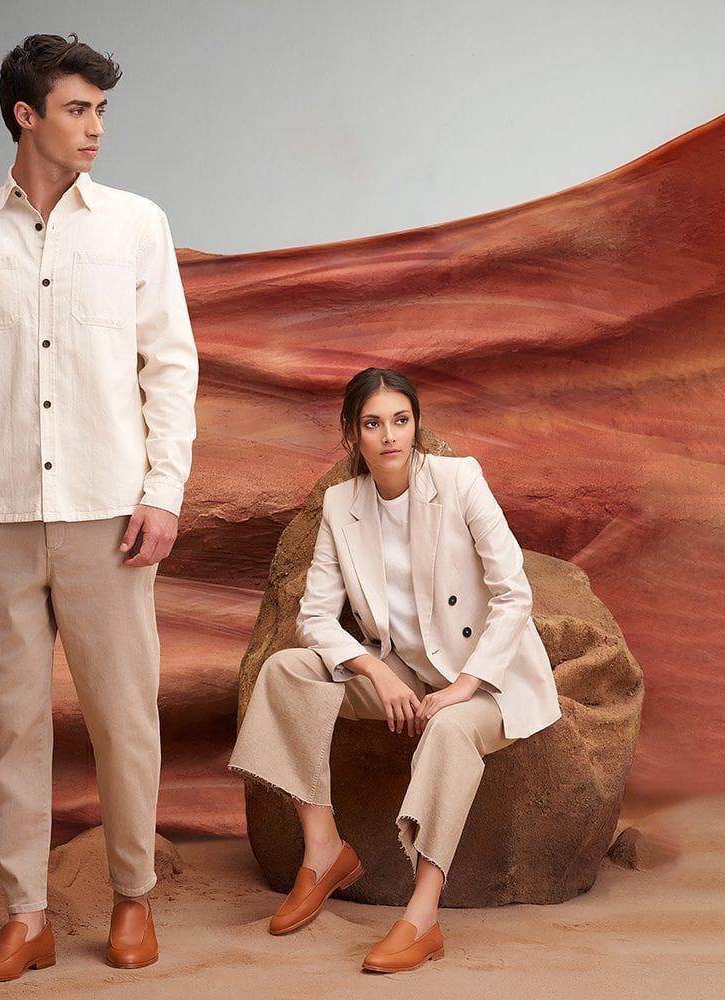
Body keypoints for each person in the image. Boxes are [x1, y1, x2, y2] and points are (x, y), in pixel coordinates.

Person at [0, 33, 198, 982]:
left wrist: (163, 494)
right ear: (24, 115)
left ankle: (132, 899)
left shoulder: (136, 225)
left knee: (124, 718)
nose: (96, 129)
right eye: (78, 109)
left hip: (109, 516)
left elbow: (172, 367)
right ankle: (27, 914)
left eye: (102, 111)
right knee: (11, 724)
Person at [228, 367, 561, 973]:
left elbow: (514, 594)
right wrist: (375, 674)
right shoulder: (342, 503)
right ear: (354, 435)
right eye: (373, 423)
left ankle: (422, 917)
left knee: (451, 730)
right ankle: (323, 847)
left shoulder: (460, 481)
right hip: (400, 672)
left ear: (416, 425)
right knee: (285, 672)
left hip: (487, 680)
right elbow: (315, 618)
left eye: (401, 421)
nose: (390, 436)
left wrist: (464, 688)